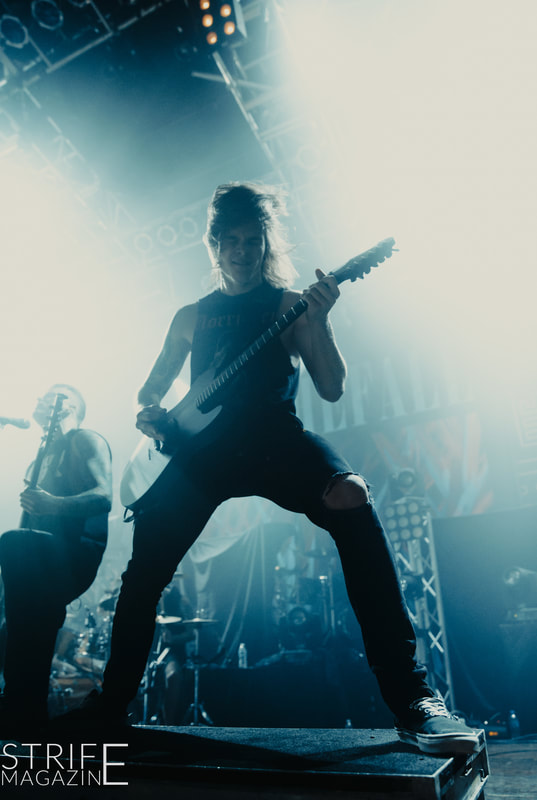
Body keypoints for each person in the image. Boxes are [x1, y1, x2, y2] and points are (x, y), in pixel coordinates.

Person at [67, 183, 480, 755]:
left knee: (350, 495)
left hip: (272, 439)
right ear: (214, 245)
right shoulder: (190, 317)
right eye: (231, 241)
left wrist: (320, 320)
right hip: (199, 454)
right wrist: (150, 413)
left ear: (266, 243)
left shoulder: (290, 305)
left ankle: (414, 700)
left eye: (252, 240)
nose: (242, 251)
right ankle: (110, 706)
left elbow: (332, 388)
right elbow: (150, 389)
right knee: (142, 576)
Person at [0, 384, 112, 737]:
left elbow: (104, 495)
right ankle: (25, 710)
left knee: (13, 543)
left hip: (76, 553)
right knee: (22, 622)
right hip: (40, 556)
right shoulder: (41, 457)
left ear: (69, 406)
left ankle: (19, 706)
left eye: (53, 395)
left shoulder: (85, 439)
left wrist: (54, 504)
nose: (41, 399)